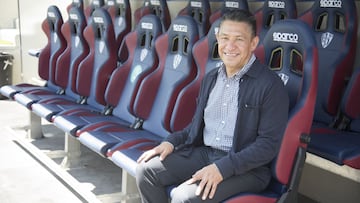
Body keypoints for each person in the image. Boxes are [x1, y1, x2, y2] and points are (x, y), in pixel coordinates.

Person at [136, 9, 289, 203]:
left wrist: (222, 168)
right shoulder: (211, 78)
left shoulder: (270, 85)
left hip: (248, 169)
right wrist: (171, 142)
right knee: (146, 171)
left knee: (184, 198)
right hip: (205, 153)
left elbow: (268, 145)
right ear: (217, 38)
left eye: (239, 40)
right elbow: (195, 127)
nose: (230, 46)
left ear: (253, 43)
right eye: (224, 38)